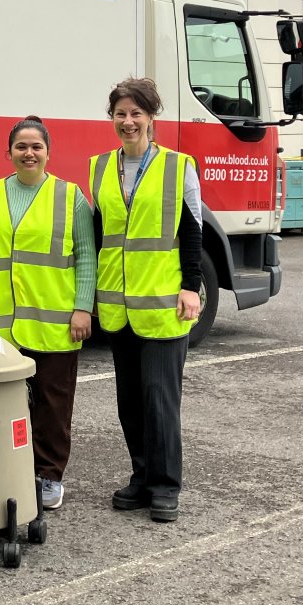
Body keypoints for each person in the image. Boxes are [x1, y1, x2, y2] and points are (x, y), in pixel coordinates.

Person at [88, 77, 203, 524]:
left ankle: (165, 485)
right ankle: (140, 477)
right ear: (111, 118)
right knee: (130, 401)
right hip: (118, 305)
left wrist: (191, 286)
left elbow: (191, 229)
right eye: (121, 113)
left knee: (160, 399)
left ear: (151, 118)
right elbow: (98, 236)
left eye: (137, 113)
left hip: (163, 304)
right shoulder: (99, 168)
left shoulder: (179, 167)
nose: (128, 121)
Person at [0, 117, 95, 510]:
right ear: (8, 153)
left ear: (47, 153)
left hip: (56, 321)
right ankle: (11, 468)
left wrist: (82, 308)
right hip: (4, 323)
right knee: (7, 404)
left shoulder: (69, 196)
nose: (29, 153)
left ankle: (49, 474)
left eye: (36, 146)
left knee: (53, 402)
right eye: (21, 146)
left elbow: (86, 256)